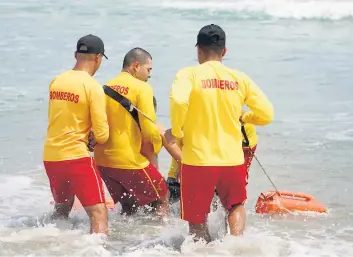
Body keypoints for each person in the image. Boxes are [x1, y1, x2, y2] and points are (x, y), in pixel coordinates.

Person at [166, 24, 274, 242]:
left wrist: (177, 131)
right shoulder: (239, 78)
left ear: (198, 50)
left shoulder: (188, 74)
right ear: (224, 51)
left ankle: (203, 250)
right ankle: (236, 246)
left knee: (196, 219)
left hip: (197, 160)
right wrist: (246, 117)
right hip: (232, 159)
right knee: (235, 206)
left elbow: (178, 100)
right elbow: (266, 114)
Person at [43, 34, 110, 235]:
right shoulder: (92, 86)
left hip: (51, 156)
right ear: (98, 58)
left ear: (76, 54)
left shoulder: (57, 81)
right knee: (98, 213)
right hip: (76, 157)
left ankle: (55, 243)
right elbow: (103, 134)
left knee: (62, 209)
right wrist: (94, 137)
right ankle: (97, 251)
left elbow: (59, 118)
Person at [94, 47, 170, 217]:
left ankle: (123, 240)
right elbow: (149, 131)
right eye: (148, 69)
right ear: (136, 66)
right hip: (128, 160)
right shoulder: (142, 88)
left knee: (129, 206)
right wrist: (161, 141)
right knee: (162, 197)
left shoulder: (103, 87)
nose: (149, 75)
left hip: (102, 162)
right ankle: (161, 236)